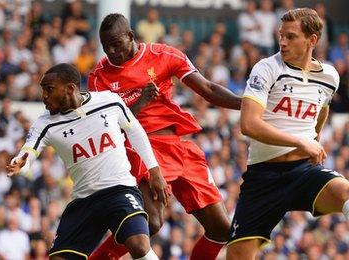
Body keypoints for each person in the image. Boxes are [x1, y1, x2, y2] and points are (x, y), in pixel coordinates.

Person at [88, 13, 241, 260]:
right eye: (106, 47)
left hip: (177, 147)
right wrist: (139, 103)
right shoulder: (99, 76)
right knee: (151, 223)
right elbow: (106, 127)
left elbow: (209, 90)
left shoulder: (164, 56)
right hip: (141, 147)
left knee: (221, 229)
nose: (112, 52)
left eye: (117, 44)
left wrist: (248, 104)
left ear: (131, 36)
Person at [7, 63, 167, 260]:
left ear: (70, 88)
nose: (44, 97)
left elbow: (134, 131)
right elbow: (29, 150)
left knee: (139, 244)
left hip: (119, 190)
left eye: (49, 89)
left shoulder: (108, 101)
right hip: (84, 200)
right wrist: (21, 162)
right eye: (43, 90)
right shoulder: (45, 123)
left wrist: (155, 171)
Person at [226, 8, 349, 259]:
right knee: (238, 256)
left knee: (346, 193)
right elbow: (248, 124)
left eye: (291, 36)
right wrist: (302, 142)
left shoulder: (329, 77)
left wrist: (314, 137)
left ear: (312, 40)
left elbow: (322, 108)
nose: (282, 42)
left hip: (303, 171)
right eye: (281, 35)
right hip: (263, 177)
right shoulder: (266, 68)